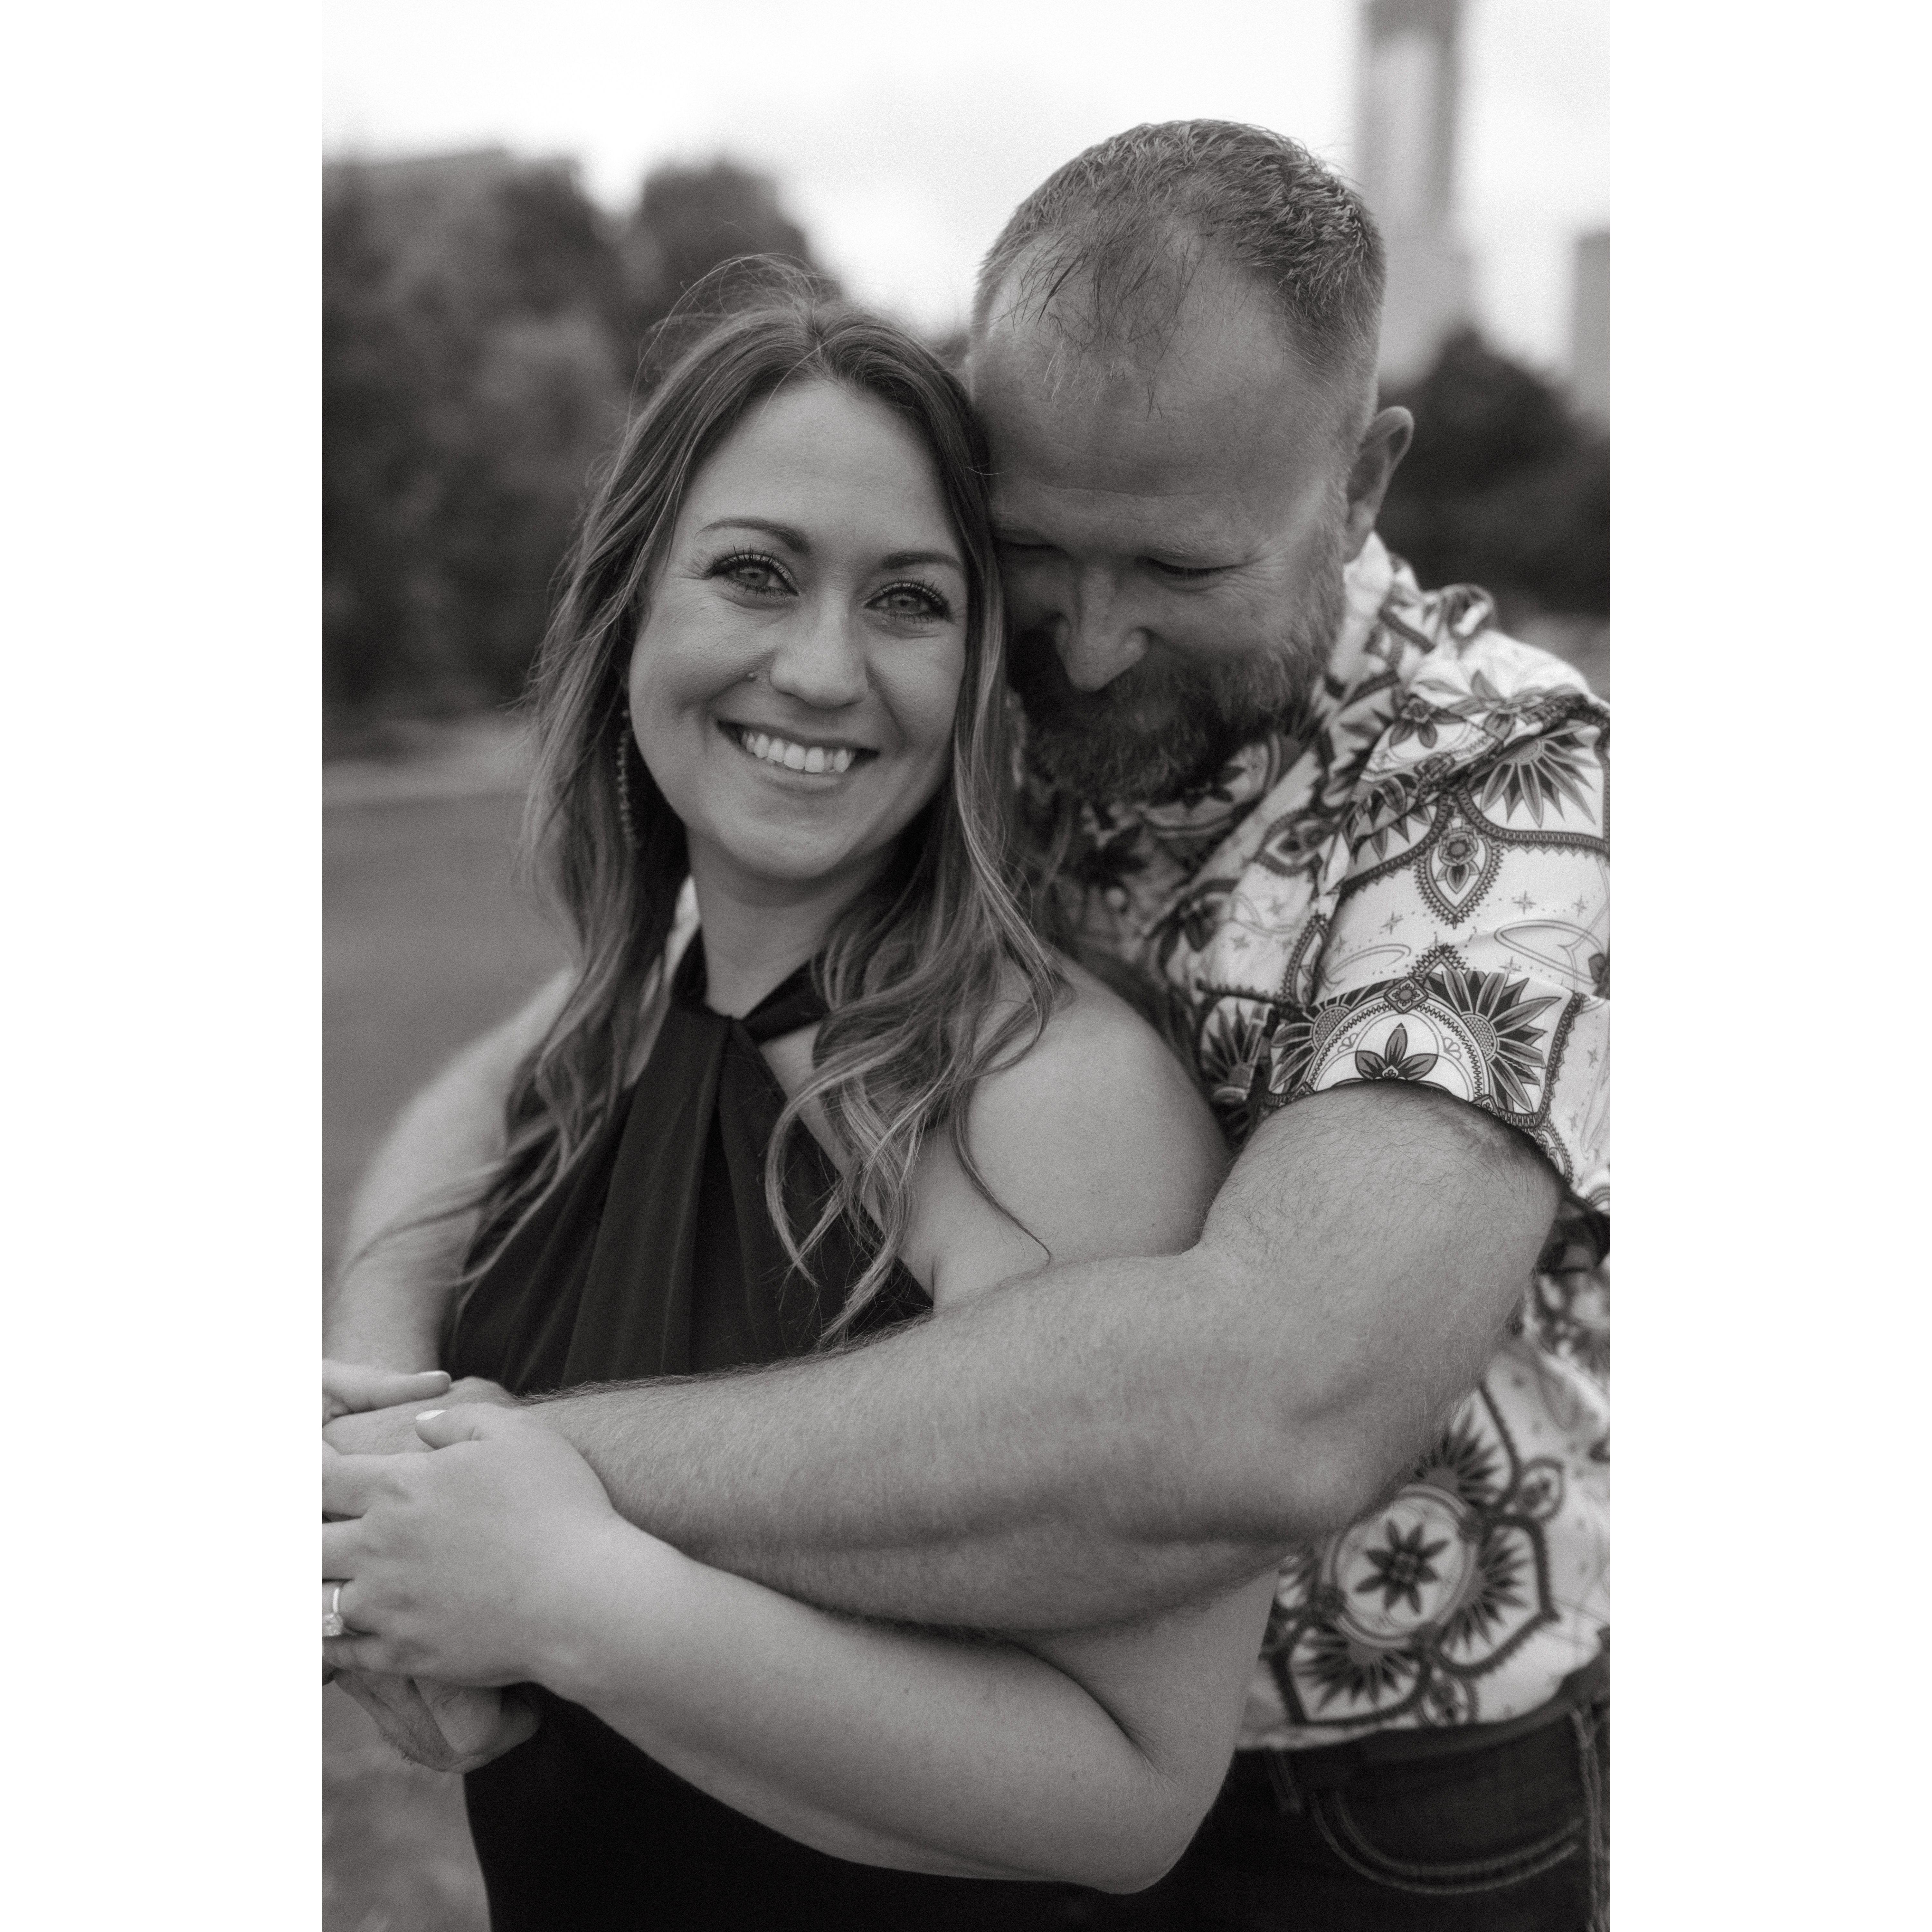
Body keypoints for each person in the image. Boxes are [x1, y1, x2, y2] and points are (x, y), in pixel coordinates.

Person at [328, 122, 1610, 1930]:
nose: (1085, 647)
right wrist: (374, 1420)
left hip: (1369, 1808)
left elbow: (1268, 1412)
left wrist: (531, 1506)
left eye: (1178, 573)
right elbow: (559, 1040)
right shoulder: (952, 692)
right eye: (1035, 556)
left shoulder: (1505, 786)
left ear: (1362, 477)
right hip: (915, 1717)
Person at [324, 289, 1281, 1928]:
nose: (824, 668)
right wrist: (365, 1445)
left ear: (980, 669)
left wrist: (576, 1601)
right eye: (756, 572)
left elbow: (1133, 1794)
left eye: (908, 601)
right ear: (632, 601)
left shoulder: (1051, 1101)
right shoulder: (641, 996)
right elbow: (460, 1124)